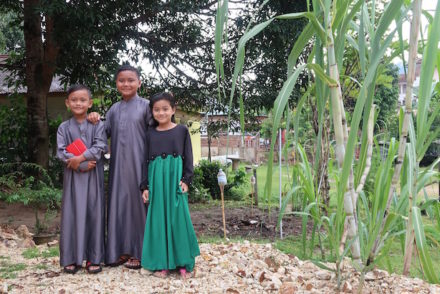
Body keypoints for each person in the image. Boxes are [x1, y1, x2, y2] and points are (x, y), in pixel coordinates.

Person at [88, 64, 152, 269]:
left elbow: (158, 132)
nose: (126, 83)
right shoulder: (114, 109)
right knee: (118, 206)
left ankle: (140, 252)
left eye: (131, 80)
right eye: (121, 80)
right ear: (116, 84)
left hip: (140, 165)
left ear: (139, 83)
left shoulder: (147, 106)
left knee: (138, 207)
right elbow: (102, 132)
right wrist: (94, 118)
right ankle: (119, 251)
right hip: (117, 168)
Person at [140, 92, 200, 279]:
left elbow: (189, 157)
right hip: (156, 181)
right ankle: (162, 263)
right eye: (156, 110)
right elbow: (145, 161)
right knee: (158, 221)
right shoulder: (149, 133)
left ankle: (184, 263)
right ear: (152, 112)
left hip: (175, 180)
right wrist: (145, 186)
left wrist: (187, 180)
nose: (161, 113)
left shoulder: (182, 130)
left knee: (178, 219)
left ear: (173, 110)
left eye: (165, 109)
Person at [57, 84, 107, 274]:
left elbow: (100, 146)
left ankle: (93, 258)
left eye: (82, 100)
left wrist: (81, 158)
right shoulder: (63, 127)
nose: (78, 103)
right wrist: (81, 163)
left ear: (90, 103)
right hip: (73, 177)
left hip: (94, 178)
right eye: (74, 100)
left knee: (94, 213)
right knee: (72, 214)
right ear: (67, 103)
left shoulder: (97, 124)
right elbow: (61, 152)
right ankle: (71, 258)